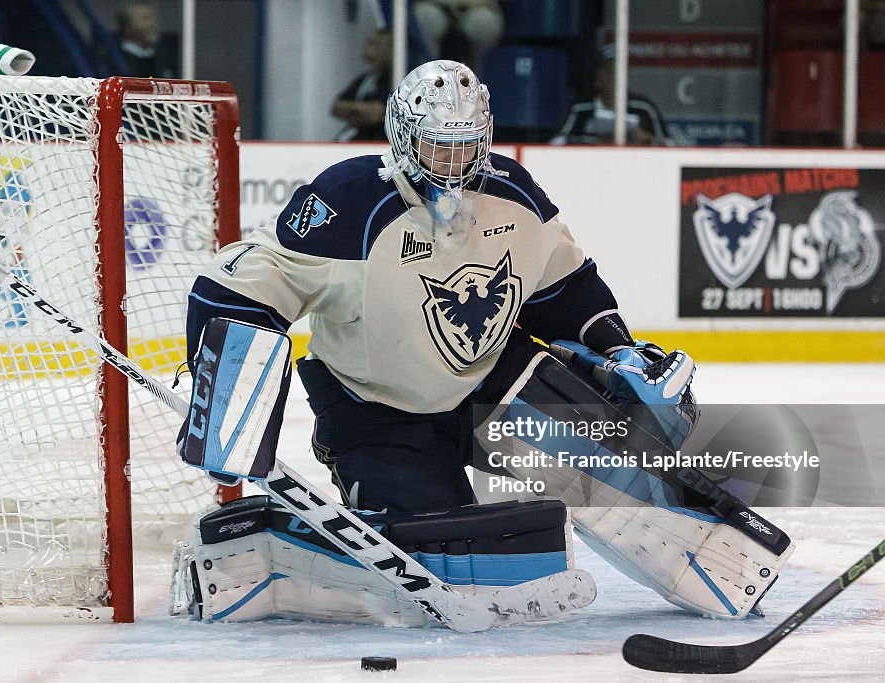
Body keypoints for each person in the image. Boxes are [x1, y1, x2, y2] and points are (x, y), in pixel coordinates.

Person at [183, 60, 792, 622]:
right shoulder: (348, 204)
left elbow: (566, 290)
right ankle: (259, 559)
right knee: (454, 566)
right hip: (378, 414)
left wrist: (620, 352)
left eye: (465, 145)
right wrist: (223, 381)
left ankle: (719, 566)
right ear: (401, 135)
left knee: (640, 486)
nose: (452, 162)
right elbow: (236, 287)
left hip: (498, 387)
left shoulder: (515, 195)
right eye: (436, 145)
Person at [551, 50, 671, 145]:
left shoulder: (644, 108)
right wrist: (592, 141)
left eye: (621, 72)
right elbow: (556, 143)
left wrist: (646, 140)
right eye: (609, 72)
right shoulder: (581, 109)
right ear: (598, 76)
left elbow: (668, 144)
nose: (615, 78)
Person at [331, 29, 393, 141]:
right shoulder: (366, 78)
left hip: (375, 141)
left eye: (372, 43)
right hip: (353, 137)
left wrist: (352, 110)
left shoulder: (391, 79)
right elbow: (336, 106)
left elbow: (375, 114)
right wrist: (359, 109)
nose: (366, 46)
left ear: (385, 48)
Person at [412, 0, 503, 71]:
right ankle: (427, 83)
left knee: (484, 22)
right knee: (425, 17)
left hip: (479, 6)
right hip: (433, 4)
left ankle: (478, 86)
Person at [116, 2, 176, 78]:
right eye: (146, 19)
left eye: (153, 18)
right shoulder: (115, 59)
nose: (152, 24)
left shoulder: (166, 57)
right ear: (128, 27)